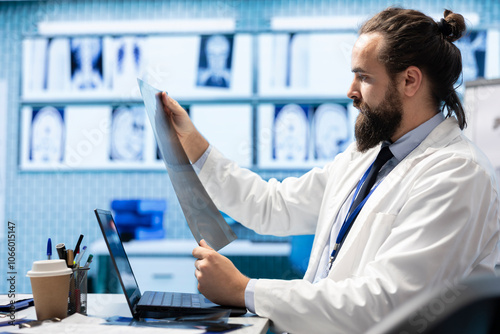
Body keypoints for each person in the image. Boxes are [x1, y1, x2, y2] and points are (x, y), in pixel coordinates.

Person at [160, 7, 500, 334]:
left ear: (410, 80)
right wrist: (193, 143)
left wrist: (245, 290)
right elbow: (271, 204)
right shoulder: (367, 156)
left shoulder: (458, 175)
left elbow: (386, 305)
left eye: (364, 77)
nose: (351, 92)